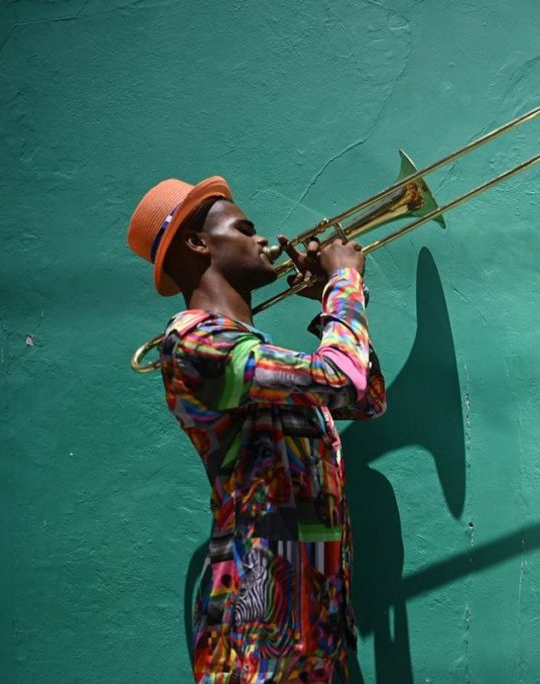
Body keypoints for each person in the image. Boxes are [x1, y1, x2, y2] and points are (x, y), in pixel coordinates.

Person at [127, 176, 386, 683]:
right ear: (198, 243)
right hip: (256, 635)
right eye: (245, 229)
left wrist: (327, 304)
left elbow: (368, 397)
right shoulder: (196, 343)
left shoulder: (254, 356)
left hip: (311, 623)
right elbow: (342, 378)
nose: (263, 240)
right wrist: (343, 286)